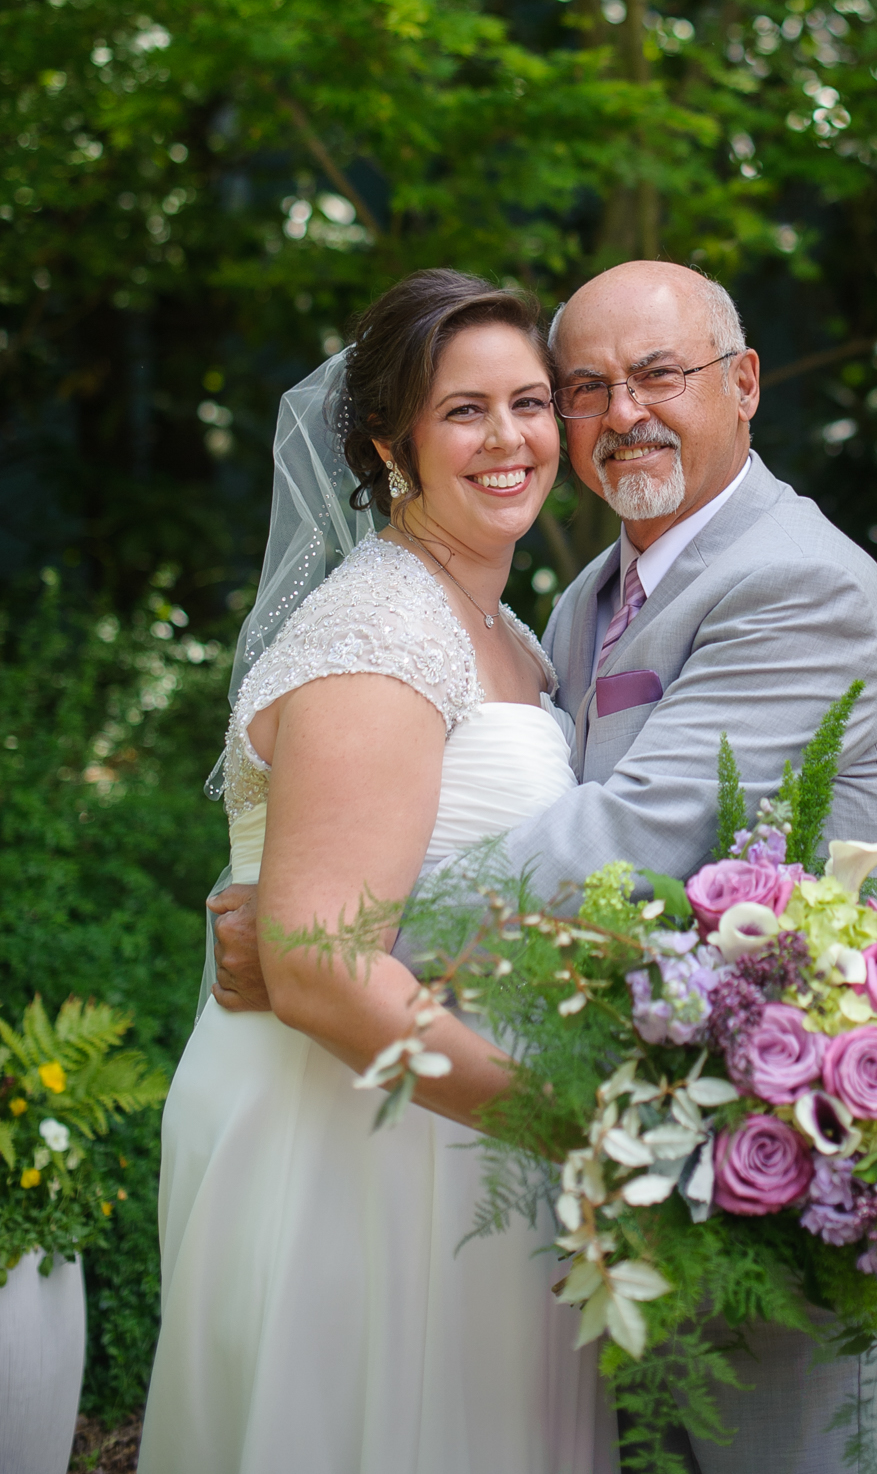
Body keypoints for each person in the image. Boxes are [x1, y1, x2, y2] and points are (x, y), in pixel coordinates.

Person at [214, 259, 877, 1474]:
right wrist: (310, 924)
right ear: (397, 444)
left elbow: (628, 844)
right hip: (553, 1127)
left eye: (658, 373)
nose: (618, 411)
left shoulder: (795, 580)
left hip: (763, 1128)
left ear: (744, 382)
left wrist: (323, 935)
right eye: (584, 385)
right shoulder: (584, 596)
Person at [139, 270, 615, 1474]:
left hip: (449, 1119)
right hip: (347, 1132)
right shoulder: (380, 630)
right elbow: (316, 964)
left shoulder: (509, 629)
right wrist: (581, 1127)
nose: (509, 439)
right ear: (387, 442)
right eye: (465, 410)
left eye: (528, 401)